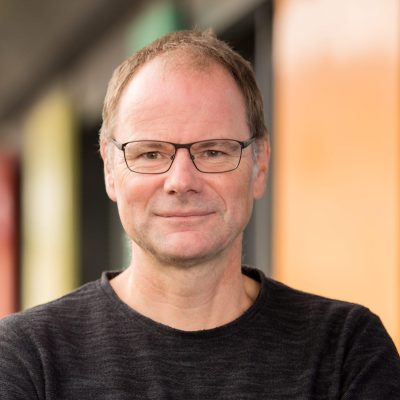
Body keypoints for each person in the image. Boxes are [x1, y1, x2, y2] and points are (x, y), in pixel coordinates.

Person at [0, 29, 399, 399]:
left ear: (259, 164)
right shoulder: (29, 358)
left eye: (213, 151)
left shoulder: (345, 351)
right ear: (109, 170)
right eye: (150, 153)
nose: (181, 181)